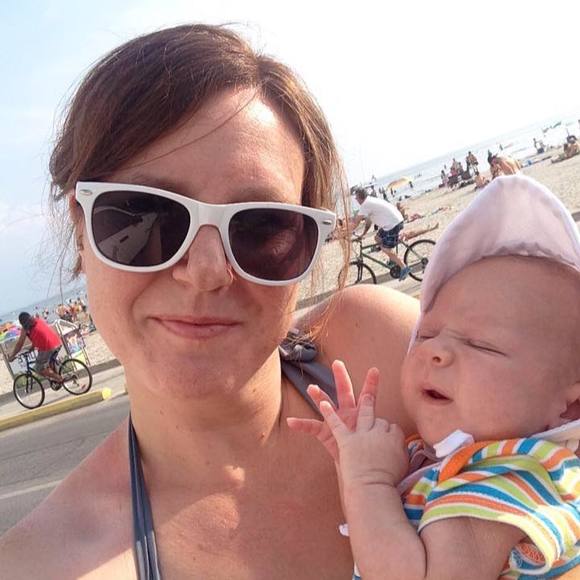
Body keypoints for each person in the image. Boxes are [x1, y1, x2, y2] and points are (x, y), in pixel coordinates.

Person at [0, 24, 421, 579]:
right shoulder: (45, 567)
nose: (204, 273)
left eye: (261, 226)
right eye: (145, 215)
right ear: (81, 228)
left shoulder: (391, 353)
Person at [289, 175, 580, 579]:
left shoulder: (507, 478)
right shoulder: (446, 460)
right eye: (425, 334)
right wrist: (356, 466)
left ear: (569, 408)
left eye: (481, 344)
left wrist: (368, 481)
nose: (433, 350)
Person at [351, 188, 410, 280]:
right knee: (377, 238)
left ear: (359, 198)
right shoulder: (370, 201)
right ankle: (393, 259)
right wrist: (363, 234)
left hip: (393, 224)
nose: (356, 199)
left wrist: (346, 233)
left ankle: (404, 267)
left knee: (385, 248)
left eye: (356, 198)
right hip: (392, 222)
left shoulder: (365, 205)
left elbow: (356, 222)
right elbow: (369, 222)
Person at [8, 312, 64, 385]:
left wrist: (12, 356)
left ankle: (59, 378)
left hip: (47, 347)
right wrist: (32, 347)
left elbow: (19, 344)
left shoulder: (25, 329)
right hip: (57, 342)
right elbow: (39, 335)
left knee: (39, 369)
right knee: (49, 363)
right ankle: (57, 380)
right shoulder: (38, 320)